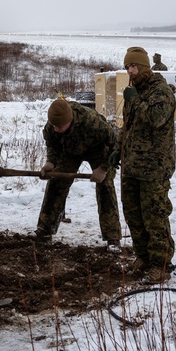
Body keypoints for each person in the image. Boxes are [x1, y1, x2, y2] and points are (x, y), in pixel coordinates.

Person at [34, 97, 122, 249]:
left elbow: (117, 145)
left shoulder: (93, 123)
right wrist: (51, 163)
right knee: (56, 181)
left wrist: (103, 168)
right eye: (54, 126)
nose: (55, 129)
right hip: (71, 151)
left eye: (59, 127)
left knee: (105, 185)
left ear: (69, 121)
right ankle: (45, 228)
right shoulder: (52, 127)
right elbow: (53, 145)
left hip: (98, 148)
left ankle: (112, 237)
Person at [120, 46, 176, 283]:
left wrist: (136, 100)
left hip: (154, 168)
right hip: (131, 166)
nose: (130, 71)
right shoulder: (133, 93)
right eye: (127, 67)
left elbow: (155, 119)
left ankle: (160, 264)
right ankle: (142, 256)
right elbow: (128, 127)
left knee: (154, 216)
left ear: (144, 67)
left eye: (134, 66)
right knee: (134, 215)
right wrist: (117, 151)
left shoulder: (160, 92)